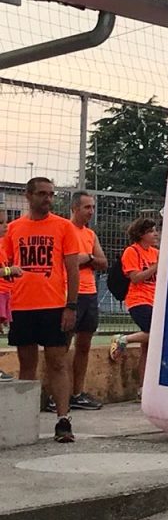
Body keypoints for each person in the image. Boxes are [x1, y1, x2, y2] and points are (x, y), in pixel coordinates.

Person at [0, 177, 81, 443]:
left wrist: (71, 305)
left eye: (51, 194)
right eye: (42, 194)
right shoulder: (13, 229)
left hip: (54, 306)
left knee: (57, 363)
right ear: (28, 196)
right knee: (27, 365)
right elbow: (7, 264)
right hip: (23, 306)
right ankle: (24, 421)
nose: (48, 199)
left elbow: (72, 269)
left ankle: (63, 420)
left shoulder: (63, 227)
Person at [66, 191, 107, 410]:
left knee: (84, 344)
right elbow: (65, 261)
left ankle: (77, 393)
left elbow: (103, 261)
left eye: (92, 207)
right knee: (63, 346)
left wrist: (88, 258)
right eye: (86, 207)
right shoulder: (64, 229)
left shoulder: (90, 235)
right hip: (69, 293)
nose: (90, 211)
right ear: (74, 208)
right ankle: (59, 395)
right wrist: (77, 260)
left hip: (89, 293)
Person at [109, 217, 160, 390]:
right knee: (157, 333)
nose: (155, 234)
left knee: (147, 347)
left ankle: (143, 388)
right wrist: (155, 267)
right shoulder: (132, 251)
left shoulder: (155, 252)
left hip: (155, 300)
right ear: (141, 234)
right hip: (138, 300)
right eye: (151, 231)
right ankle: (124, 339)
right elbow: (136, 277)